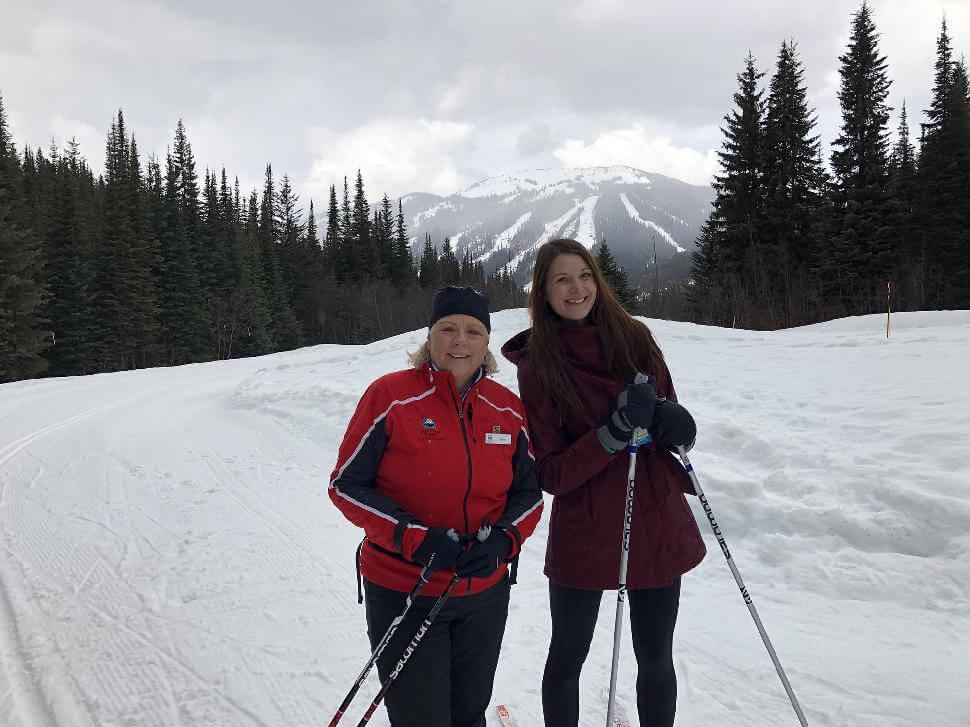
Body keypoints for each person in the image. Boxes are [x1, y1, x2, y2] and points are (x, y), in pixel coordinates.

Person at [501, 239, 705, 727]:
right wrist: (609, 435)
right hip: (586, 525)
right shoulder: (539, 363)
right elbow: (551, 472)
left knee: (655, 656)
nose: (576, 288)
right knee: (567, 654)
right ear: (543, 292)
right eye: (562, 279)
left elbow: (668, 418)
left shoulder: (633, 337)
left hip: (652, 514)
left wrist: (675, 423)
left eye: (585, 275)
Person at [330, 285, 544, 727]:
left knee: (469, 713)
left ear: (486, 343)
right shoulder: (391, 397)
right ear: (430, 337)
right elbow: (346, 486)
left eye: (473, 331)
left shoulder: (507, 409)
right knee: (421, 717)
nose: (460, 340)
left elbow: (529, 495)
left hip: (483, 594)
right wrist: (413, 537)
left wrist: (504, 541)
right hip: (406, 590)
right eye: (448, 328)